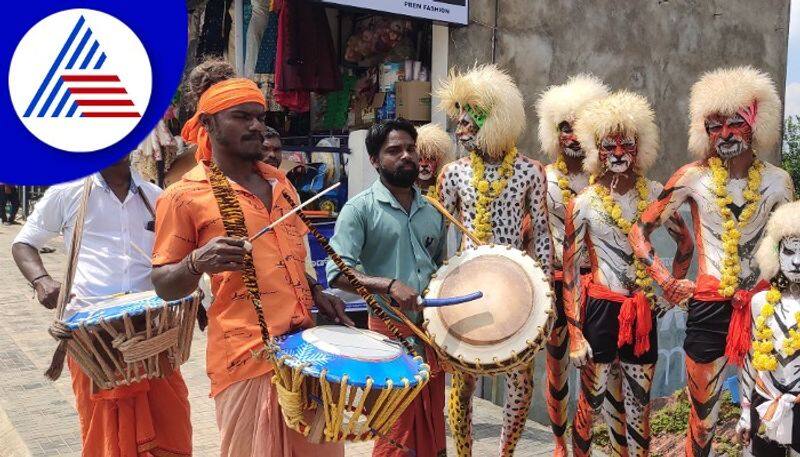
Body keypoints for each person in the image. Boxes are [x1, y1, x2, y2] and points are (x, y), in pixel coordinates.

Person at [149, 59, 349, 457]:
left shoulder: (281, 182)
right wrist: (195, 263)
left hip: (305, 354)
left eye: (260, 117)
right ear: (207, 124)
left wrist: (314, 291)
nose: (256, 126)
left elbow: (285, 256)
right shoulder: (184, 194)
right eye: (242, 117)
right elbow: (163, 284)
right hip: (245, 358)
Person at [627, 66, 795, 457]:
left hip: (763, 308)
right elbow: (639, 230)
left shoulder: (778, 182)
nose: (724, 134)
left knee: (768, 415)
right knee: (703, 419)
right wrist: (667, 282)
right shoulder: (692, 177)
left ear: (757, 123)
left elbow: (791, 244)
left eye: (735, 123)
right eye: (714, 126)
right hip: (708, 307)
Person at [10, 156, 192, 457]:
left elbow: (173, 257)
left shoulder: (155, 196)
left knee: (169, 423)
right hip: (93, 337)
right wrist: (41, 280)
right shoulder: (68, 191)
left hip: (152, 333)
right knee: (104, 432)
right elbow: (23, 243)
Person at [563, 91, 693, 457]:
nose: (618, 153)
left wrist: (669, 294)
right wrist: (575, 335)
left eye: (626, 145)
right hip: (601, 310)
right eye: (609, 146)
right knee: (591, 402)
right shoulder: (584, 202)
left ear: (639, 147)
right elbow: (571, 273)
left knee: (640, 407)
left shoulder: (654, 193)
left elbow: (686, 244)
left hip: (642, 310)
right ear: (597, 149)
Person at [435, 64, 553, 457]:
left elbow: (543, 237)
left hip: (518, 289)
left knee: (521, 381)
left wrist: (545, 297)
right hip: (466, 290)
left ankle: (506, 453)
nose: (462, 127)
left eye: (473, 118)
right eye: (460, 118)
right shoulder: (451, 175)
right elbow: (437, 239)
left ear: (498, 119)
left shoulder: (530, 172)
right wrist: (437, 292)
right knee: (462, 381)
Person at [325, 118, 448, 457]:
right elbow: (336, 273)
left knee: (433, 427)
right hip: (387, 336)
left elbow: (441, 267)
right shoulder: (360, 209)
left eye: (411, 148)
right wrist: (389, 285)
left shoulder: (433, 210)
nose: (406, 156)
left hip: (431, 335)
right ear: (375, 161)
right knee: (395, 433)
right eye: (394, 150)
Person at [534, 74, 609, 456]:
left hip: (596, 288)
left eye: (580, 127)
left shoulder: (606, 182)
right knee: (557, 369)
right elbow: (528, 228)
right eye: (565, 128)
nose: (573, 136)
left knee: (593, 372)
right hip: (554, 282)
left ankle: (584, 444)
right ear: (554, 133)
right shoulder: (542, 177)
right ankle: (559, 443)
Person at [737, 201, 800, 456]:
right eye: (789, 252)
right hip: (765, 400)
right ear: (774, 253)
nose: (796, 261)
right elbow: (751, 358)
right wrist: (744, 410)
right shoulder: (760, 302)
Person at [414, 123, 454, 197]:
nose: (424, 164)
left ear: (440, 161)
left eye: (431, 159)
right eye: (419, 159)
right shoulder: (404, 190)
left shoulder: (447, 190)